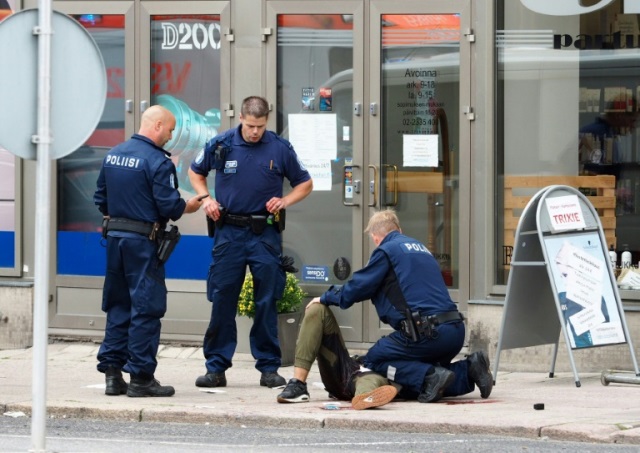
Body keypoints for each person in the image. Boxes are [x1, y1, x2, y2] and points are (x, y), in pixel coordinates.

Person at [278, 209, 493, 404]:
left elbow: (358, 287)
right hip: (454, 331)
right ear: (399, 229)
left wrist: (325, 297)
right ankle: (469, 369)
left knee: (376, 360)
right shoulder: (421, 249)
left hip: (427, 334)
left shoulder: (386, 251)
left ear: (375, 237)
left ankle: (428, 375)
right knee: (415, 379)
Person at [188, 95, 313, 389]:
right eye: (250, 125)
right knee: (223, 298)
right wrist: (206, 199)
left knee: (267, 299)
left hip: (264, 233)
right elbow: (196, 173)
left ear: (266, 121)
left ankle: (269, 367)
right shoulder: (221, 144)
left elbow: (305, 184)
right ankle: (216, 367)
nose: (255, 131)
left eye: (260, 126)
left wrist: (284, 201)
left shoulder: (279, 148)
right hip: (228, 231)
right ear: (241, 118)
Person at [94, 105, 204, 397]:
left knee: (118, 305)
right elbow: (170, 207)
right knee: (146, 307)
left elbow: (100, 199)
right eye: (169, 130)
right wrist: (188, 206)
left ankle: (113, 375)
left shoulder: (113, 154)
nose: (170, 136)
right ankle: (142, 378)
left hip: (115, 241)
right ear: (156, 125)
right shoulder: (158, 162)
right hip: (143, 244)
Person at [276, 301, 399, 410]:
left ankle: (365, 397)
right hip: (348, 366)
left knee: (369, 380)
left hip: (377, 377)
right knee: (317, 309)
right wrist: (328, 297)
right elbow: (359, 286)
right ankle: (298, 384)